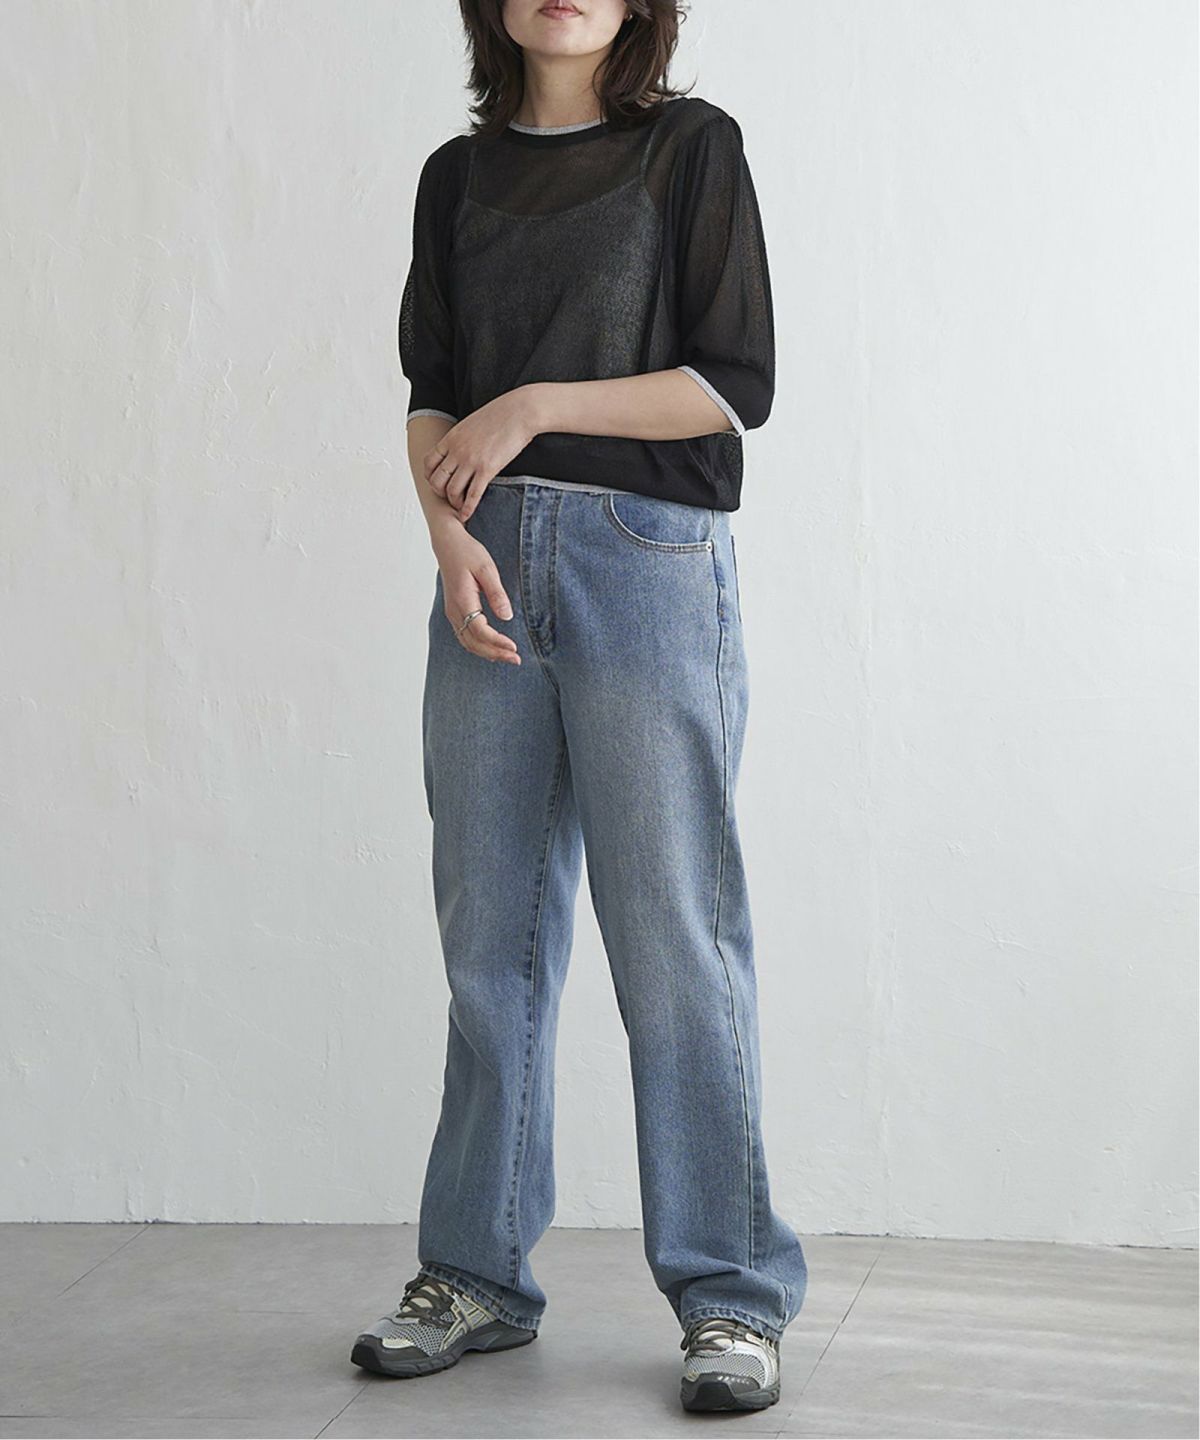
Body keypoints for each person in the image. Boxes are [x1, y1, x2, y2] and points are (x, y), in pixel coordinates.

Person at [350, 0, 808, 1414]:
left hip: (644, 566)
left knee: (673, 939)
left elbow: (732, 388)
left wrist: (536, 405)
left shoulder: (689, 151)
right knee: (490, 941)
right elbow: (433, 391)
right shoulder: (457, 176)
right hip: (485, 565)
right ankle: (475, 1274)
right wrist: (445, 533)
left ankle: (730, 1295)